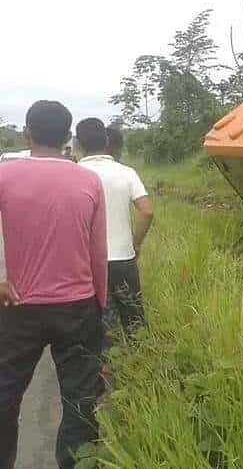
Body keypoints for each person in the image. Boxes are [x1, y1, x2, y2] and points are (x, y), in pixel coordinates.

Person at [0, 101, 108, 469]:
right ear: (68, 137)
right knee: (80, 401)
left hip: (18, 305)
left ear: (26, 133)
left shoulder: (5, 176)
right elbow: (98, 251)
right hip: (78, 305)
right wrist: (100, 303)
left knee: (5, 396)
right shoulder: (88, 180)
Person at [76, 119, 153, 357]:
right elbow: (146, 211)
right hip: (123, 258)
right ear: (108, 142)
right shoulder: (127, 172)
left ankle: (105, 371)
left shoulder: (75, 174)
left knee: (98, 320)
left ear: (78, 143)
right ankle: (141, 367)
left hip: (86, 263)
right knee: (133, 317)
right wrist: (136, 244)